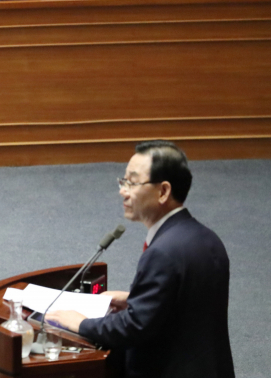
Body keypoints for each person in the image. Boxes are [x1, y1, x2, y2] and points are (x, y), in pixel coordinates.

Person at [47, 141, 235, 378]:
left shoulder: (163, 252)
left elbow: (134, 327)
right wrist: (133, 300)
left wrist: (80, 323)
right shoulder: (206, 238)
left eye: (132, 182)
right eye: (123, 181)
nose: (122, 191)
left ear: (163, 191)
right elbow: (191, 303)